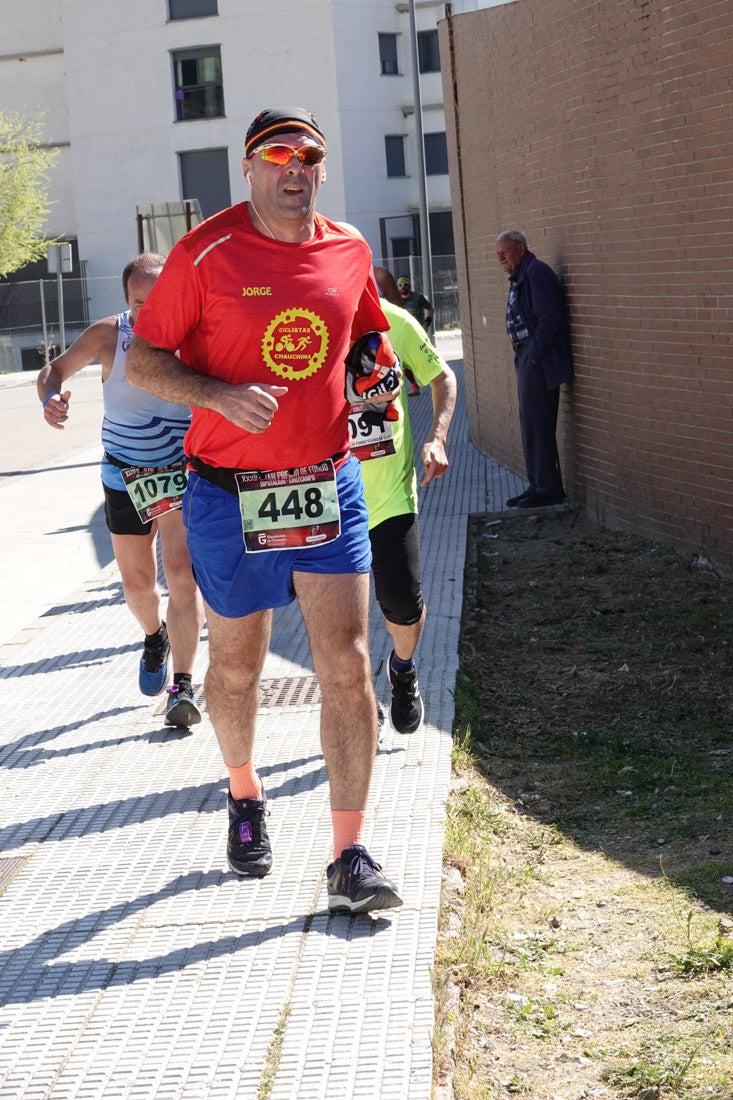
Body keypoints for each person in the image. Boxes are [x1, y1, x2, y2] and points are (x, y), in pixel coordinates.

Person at [125, 107, 403, 915]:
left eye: (309, 156)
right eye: (278, 155)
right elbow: (143, 358)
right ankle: (244, 795)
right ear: (248, 168)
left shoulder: (347, 247)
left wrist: (372, 376)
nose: (295, 168)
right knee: (239, 666)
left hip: (326, 482)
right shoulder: (203, 252)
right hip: (227, 494)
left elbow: (364, 339)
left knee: (346, 666)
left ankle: (349, 854)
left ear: (321, 168)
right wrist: (216, 394)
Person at [37, 253, 205, 727]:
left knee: (181, 573)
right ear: (126, 300)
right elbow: (52, 371)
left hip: (179, 470)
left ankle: (182, 686)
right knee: (136, 587)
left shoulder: (192, 331)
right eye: (138, 303)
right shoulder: (109, 334)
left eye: (159, 301)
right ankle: (154, 636)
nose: (149, 312)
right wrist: (51, 399)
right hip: (125, 474)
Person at [348, 300, 456, 734]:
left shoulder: (395, 320)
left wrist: (438, 437)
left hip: (391, 497)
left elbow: (442, 377)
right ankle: (357, 699)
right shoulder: (306, 319)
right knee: (339, 623)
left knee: (404, 611)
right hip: (332, 499)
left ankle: (403, 668)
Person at [496, 230, 574, 508]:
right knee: (530, 424)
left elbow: (550, 319)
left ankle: (547, 488)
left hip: (537, 360)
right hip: (527, 357)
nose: (501, 259)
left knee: (538, 424)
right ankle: (538, 484)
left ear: (521, 248)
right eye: (498, 255)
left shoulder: (536, 272)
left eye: (505, 252)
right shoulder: (522, 276)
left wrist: (533, 357)